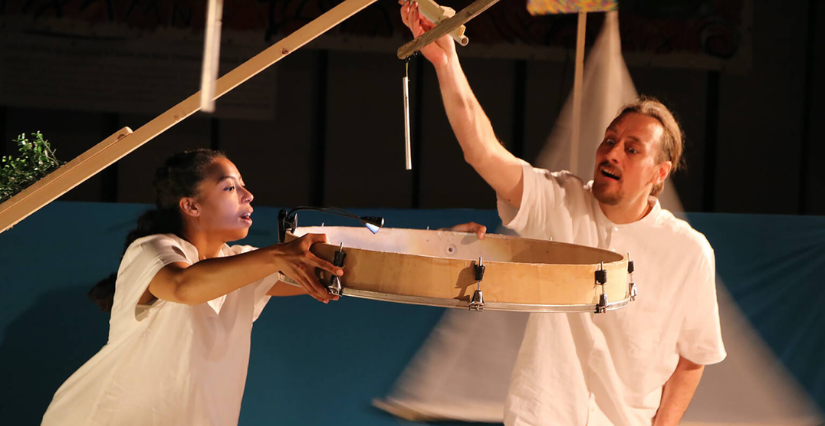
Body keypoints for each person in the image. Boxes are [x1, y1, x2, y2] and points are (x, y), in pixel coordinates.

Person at [399, 2, 726, 425]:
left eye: (632, 149)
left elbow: (693, 357)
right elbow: (481, 151)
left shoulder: (689, 252)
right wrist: (446, 61)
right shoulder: (561, 202)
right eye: (609, 140)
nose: (612, 152)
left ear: (659, 173)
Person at [41, 149, 342, 426]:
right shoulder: (151, 249)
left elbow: (322, 275)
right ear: (191, 205)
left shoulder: (240, 262)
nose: (248, 195)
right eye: (230, 187)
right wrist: (275, 255)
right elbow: (183, 286)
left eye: (243, 186)